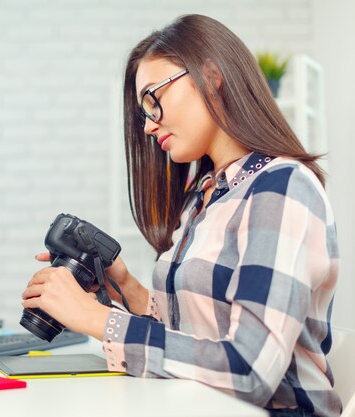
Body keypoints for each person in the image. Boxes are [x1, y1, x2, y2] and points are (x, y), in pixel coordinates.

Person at [21, 14, 340, 417]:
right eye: (143, 111)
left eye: (154, 98)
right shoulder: (204, 196)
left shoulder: (282, 188)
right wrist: (125, 286)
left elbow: (249, 372)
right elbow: (197, 332)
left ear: (211, 76)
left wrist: (99, 320)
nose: (150, 126)